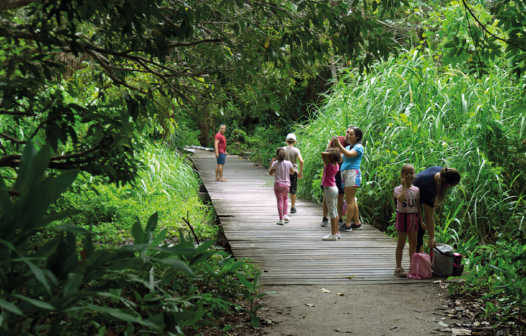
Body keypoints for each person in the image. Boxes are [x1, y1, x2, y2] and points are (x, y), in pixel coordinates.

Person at [413, 166, 461, 252]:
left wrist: (436, 200)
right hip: (405, 198)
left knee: (420, 227)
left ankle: (420, 254)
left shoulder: (443, 172)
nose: (450, 188)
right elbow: (429, 216)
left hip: (416, 191)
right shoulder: (429, 188)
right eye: (450, 186)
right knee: (418, 228)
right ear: (445, 183)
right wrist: (432, 237)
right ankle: (418, 257)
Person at [393, 164, 424, 277]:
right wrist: (404, 187)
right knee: (401, 243)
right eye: (406, 173)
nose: (409, 175)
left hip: (413, 217)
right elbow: (400, 199)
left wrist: (421, 221)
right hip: (402, 217)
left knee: (413, 243)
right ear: (402, 175)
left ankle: (412, 266)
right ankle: (398, 267)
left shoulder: (416, 190)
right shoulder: (397, 189)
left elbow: (418, 207)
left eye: (412, 173)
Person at [334, 126, 364, 232]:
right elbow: (341, 156)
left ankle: (347, 225)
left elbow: (348, 155)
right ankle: (357, 223)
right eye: (348, 134)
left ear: (357, 136)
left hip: (352, 173)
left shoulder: (359, 147)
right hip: (345, 173)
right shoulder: (348, 147)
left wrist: (339, 144)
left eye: (351, 134)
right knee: (352, 199)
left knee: (349, 200)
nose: (348, 136)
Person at [321, 148, 343, 241]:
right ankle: (336, 232)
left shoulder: (329, 165)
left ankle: (333, 234)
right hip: (334, 188)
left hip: (329, 189)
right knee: (335, 211)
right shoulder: (336, 165)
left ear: (330, 157)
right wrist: (335, 152)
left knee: (332, 212)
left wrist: (331, 152)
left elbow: (322, 153)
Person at [269, 148, 295, 225]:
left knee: (279, 201)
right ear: (285, 155)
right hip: (286, 185)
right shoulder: (288, 163)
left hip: (278, 185)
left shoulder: (275, 164)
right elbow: (292, 172)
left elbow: (271, 173)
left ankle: (281, 220)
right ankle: (285, 215)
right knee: (285, 199)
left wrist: (271, 164)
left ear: (277, 156)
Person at [283, 133, 304, 214]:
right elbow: (301, 161)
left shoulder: (282, 149)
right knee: (293, 190)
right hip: (293, 172)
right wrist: (300, 172)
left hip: (284, 172)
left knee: (284, 189)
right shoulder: (296, 150)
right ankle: (292, 207)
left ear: (286, 141)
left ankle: (283, 206)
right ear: (295, 142)